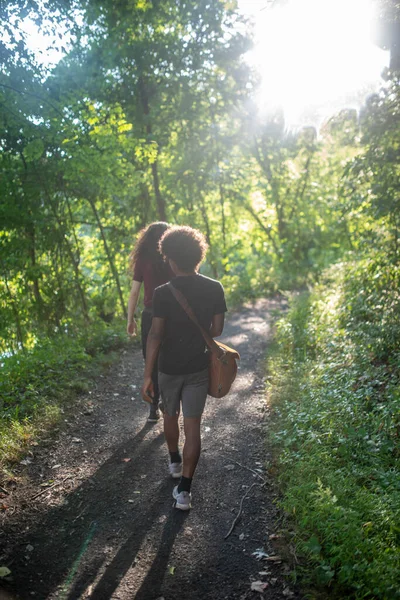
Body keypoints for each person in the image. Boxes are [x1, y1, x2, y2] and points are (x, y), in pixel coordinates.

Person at [141, 226, 227, 510]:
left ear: (171, 260)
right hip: (198, 368)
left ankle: (174, 460)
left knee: (169, 414)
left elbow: (155, 335)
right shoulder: (215, 288)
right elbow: (216, 329)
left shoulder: (162, 293)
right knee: (193, 427)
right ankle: (185, 492)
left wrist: (147, 375)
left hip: (168, 368)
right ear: (198, 257)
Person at [127, 221, 173, 422]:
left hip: (150, 314)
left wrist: (130, 319)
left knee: (151, 359)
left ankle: (153, 408)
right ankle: (168, 401)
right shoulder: (172, 257)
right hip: (173, 315)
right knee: (171, 357)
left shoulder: (143, 260)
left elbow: (134, 292)